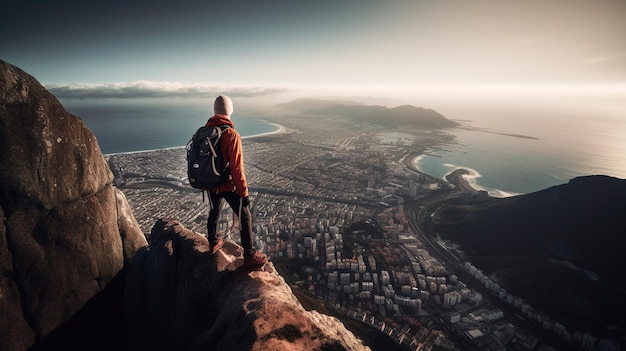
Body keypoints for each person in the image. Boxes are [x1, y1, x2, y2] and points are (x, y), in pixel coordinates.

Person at [205, 95, 267, 268]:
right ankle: (249, 255)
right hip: (228, 185)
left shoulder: (205, 132)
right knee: (245, 214)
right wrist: (244, 194)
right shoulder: (231, 134)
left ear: (215, 111)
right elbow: (237, 168)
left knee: (214, 210)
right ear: (230, 111)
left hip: (210, 183)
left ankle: (212, 241)